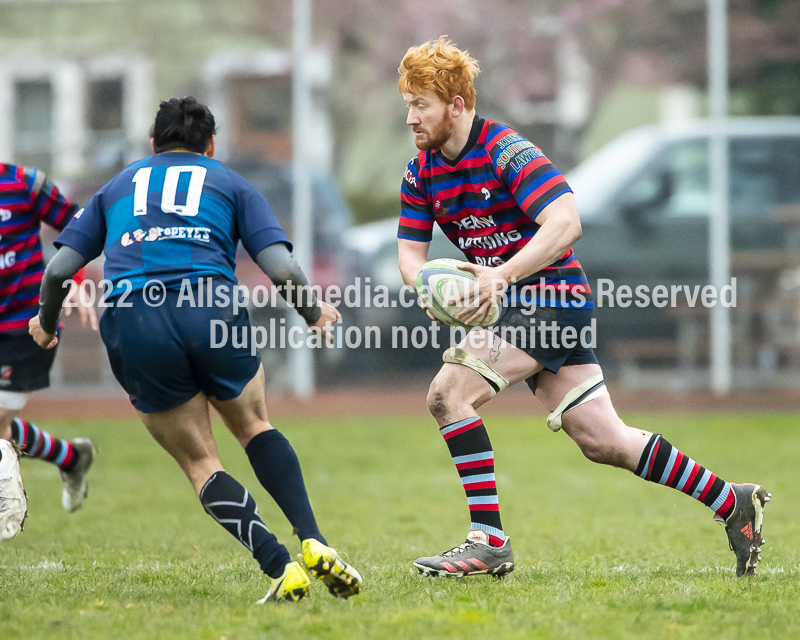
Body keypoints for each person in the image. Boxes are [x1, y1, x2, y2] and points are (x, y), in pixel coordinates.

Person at [396, 37, 770, 579]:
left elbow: (567, 221)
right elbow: (410, 256)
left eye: (420, 104)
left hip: (550, 301)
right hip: (517, 309)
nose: (410, 117)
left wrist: (502, 275)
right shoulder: (421, 173)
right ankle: (731, 501)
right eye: (407, 104)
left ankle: (488, 541)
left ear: (456, 104)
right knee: (603, 439)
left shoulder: (505, 151)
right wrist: (429, 289)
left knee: (448, 394)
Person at [29, 97, 362, 602]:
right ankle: (313, 540)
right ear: (210, 146)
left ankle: (279, 567)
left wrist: (45, 323)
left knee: (202, 461)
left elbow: (57, 272)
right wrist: (314, 314)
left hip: (134, 317)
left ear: (151, 145)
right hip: (211, 306)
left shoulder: (117, 187)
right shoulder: (230, 182)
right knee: (254, 425)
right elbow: (283, 271)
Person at [0, 162, 99, 540]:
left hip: (28, 326)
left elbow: (79, 223)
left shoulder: (23, 183)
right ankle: (70, 458)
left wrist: (73, 279)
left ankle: (10, 500)